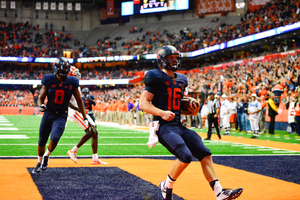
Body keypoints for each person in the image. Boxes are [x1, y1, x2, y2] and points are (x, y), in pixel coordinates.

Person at [139, 45, 243, 200]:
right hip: (163, 126)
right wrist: (161, 113)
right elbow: (143, 103)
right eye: (170, 58)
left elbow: (178, 106)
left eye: (175, 57)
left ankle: (219, 192)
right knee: (185, 156)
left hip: (178, 125)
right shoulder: (155, 76)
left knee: (205, 153)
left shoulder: (181, 79)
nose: (174, 60)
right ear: (162, 60)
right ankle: (166, 186)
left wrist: (191, 111)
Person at [32, 57, 88, 174]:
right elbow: (41, 97)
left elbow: (79, 101)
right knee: (42, 140)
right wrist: (41, 105)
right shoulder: (49, 79)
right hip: (49, 113)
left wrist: (85, 116)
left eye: (65, 68)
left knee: (55, 138)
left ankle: (47, 156)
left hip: (61, 115)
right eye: (62, 68)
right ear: (56, 69)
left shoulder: (72, 82)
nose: (64, 71)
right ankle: (39, 162)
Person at [66, 66, 107, 165]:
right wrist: (78, 109)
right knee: (91, 130)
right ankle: (73, 150)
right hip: (75, 111)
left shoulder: (74, 83)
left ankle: (95, 158)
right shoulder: (68, 84)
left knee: (95, 132)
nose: (77, 74)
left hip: (80, 111)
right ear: (70, 73)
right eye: (75, 72)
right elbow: (67, 101)